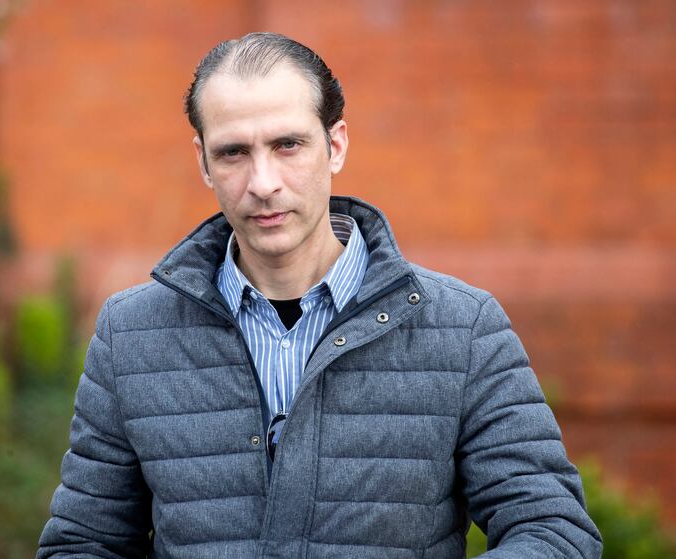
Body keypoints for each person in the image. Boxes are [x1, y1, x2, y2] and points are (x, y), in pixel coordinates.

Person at [37, 32, 602, 558]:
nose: (263, 183)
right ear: (203, 162)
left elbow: (553, 531)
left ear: (335, 145)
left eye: (287, 145)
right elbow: (85, 543)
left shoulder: (461, 326)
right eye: (234, 152)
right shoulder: (132, 333)